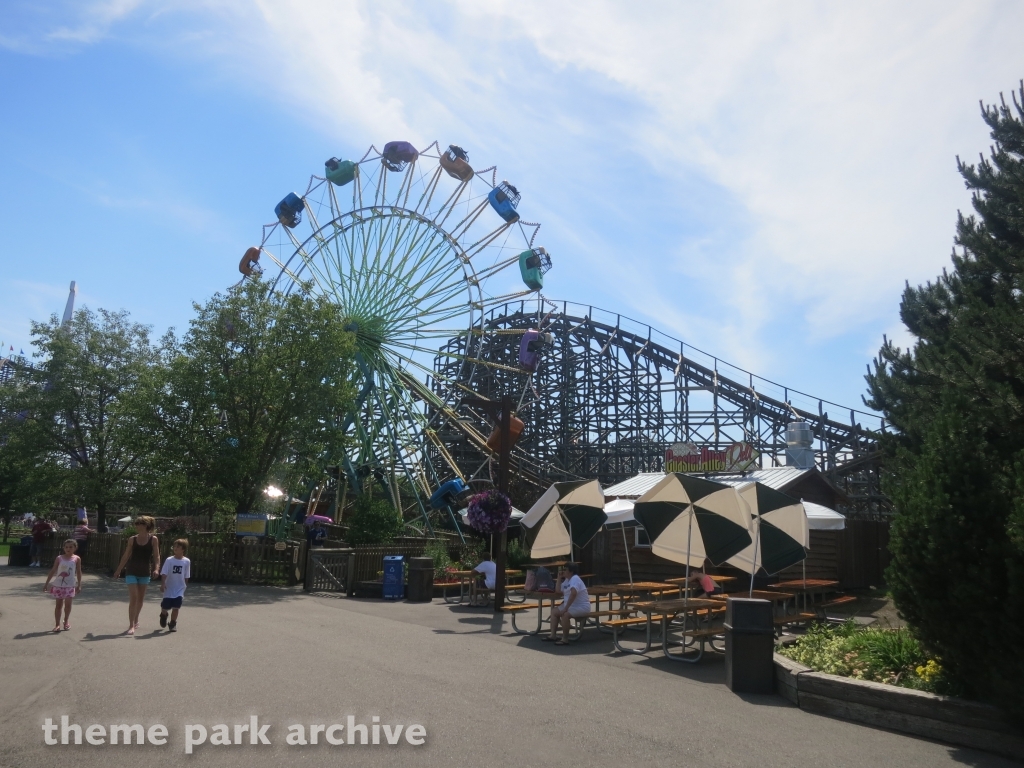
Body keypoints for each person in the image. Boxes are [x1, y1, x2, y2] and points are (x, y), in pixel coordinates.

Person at [112, 515, 161, 635]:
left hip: (144, 572)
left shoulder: (153, 539)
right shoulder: (132, 539)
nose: (138, 526)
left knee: (140, 599)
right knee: (133, 598)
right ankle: (131, 625)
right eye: (137, 524)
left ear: (147, 526)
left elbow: (156, 556)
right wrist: (118, 570)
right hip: (131, 571)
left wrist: (156, 568)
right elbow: (126, 555)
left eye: (141, 524)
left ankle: (136, 618)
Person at [544, 562, 590, 645]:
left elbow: (573, 593)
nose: (563, 571)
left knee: (565, 615)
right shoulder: (567, 580)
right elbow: (558, 590)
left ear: (571, 572)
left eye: (565, 569)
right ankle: (553, 635)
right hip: (571, 606)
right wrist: (559, 578)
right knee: (554, 611)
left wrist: (565, 608)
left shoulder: (575, 579)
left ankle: (565, 639)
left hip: (582, 607)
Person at [43, 539, 82, 632]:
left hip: (70, 585)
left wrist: (79, 584)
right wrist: (46, 583)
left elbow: (79, 571)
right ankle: (57, 624)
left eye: (71, 547)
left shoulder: (76, 558)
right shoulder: (59, 558)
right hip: (58, 585)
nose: (68, 549)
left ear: (75, 548)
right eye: (66, 547)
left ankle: (66, 621)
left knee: (68, 605)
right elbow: (53, 570)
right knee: (59, 605)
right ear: (64, 548)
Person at [159, 539, 191, 632]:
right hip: (169, 587)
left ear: (183, 549)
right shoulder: (169, 560)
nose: (175, 548)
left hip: (179, 588)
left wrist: (185, 585)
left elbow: (186, 575)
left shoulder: (186, 561)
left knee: (176, 607)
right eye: (175, 546)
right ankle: (163, 615)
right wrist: (163, 583)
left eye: (178, 547)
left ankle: (173, 623)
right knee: (165, 606)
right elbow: (164, 573)